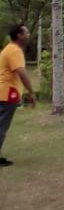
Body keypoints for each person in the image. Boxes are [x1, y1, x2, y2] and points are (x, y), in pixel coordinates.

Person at [0, 24, 36, 166]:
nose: (28, 34)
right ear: (19, 35)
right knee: (2, 126)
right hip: (7, 94)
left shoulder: (9, 49)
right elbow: (22, 73)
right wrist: (32, 92)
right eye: (26, 32)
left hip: (5, 92)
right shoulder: (14, 51)